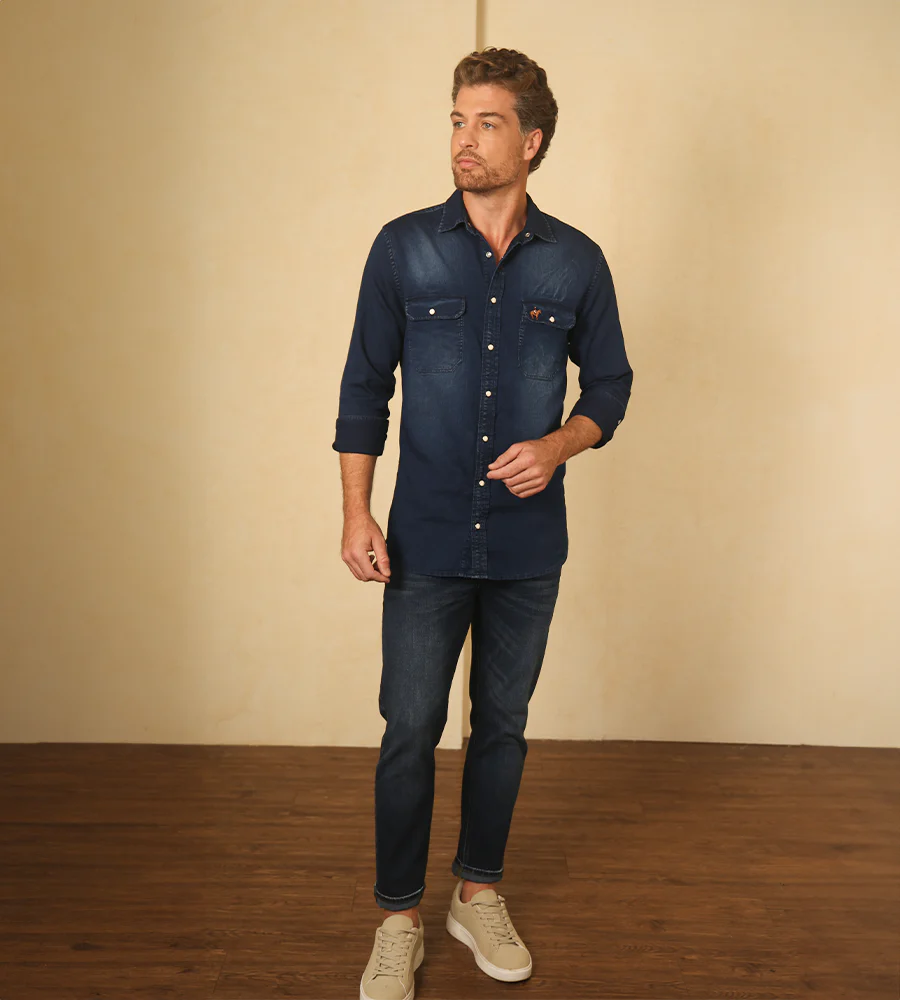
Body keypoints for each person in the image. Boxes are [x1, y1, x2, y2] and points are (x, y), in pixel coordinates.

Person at [332, 45, 633, 1000]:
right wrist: (356, 513)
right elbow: (363, 390)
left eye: (487, 123)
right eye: (457, 121)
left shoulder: (577, 261)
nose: (465, 140)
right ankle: (397, 919)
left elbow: (612, 386)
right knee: (409, 727)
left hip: (526, 546)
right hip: (422, 537)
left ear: (531, 141)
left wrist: (560, 445)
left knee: (502, 726)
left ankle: (477, 893)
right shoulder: (402, 249)